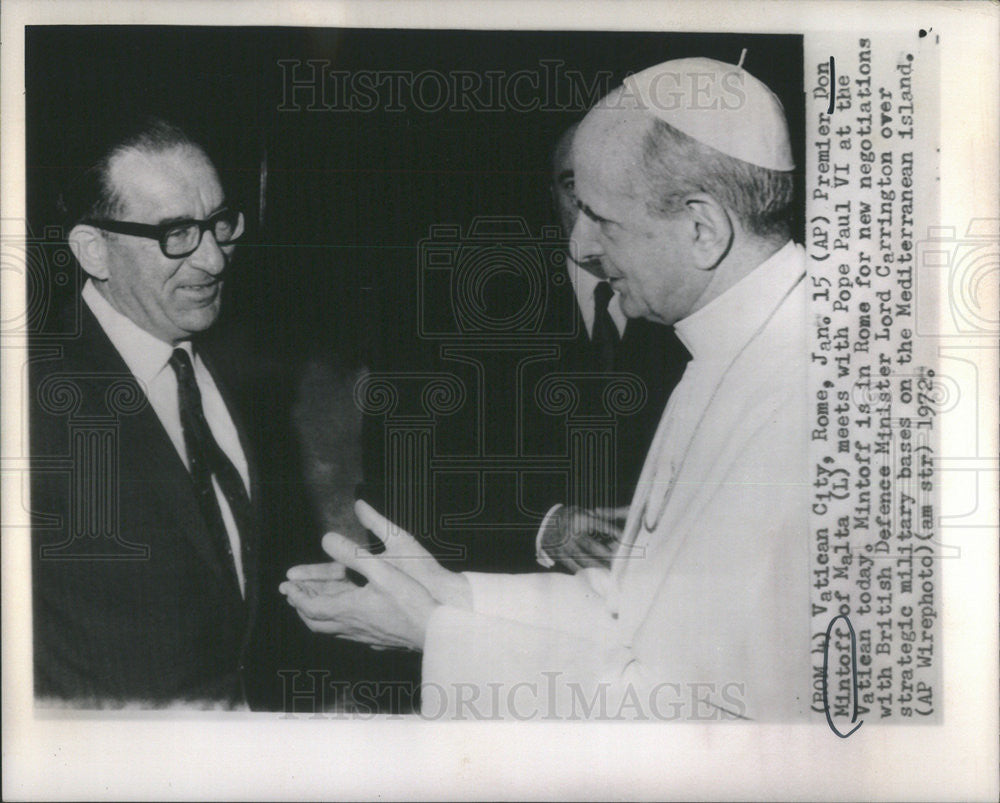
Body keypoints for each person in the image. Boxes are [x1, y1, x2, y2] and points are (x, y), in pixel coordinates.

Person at [282, 57, 811, 721]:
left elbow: (699, 708)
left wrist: (438, 636)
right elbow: (637, 607)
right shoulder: (724, 343)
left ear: (702, 228)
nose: (583, 246)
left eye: (603, 219)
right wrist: (451, 594)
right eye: (576, 209)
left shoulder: (808, 389)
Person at [30, 117, 305, 708]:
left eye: (220, 223)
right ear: (94, 250)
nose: (214, 259)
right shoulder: (32, 405)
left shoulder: (243, 371)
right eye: (177, 233)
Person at [533, 121, 689, 572]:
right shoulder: (469, 307)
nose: (591, 212)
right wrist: (546, 525)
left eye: (612, 190)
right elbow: (402, 480)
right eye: (572, 187)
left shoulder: (695, 304)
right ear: (552, 193)